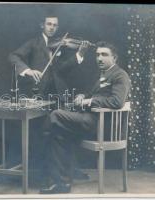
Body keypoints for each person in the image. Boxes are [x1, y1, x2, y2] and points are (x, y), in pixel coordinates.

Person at [39, 41, 131, 194]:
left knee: (55, 115)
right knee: (58, 134)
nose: (99, 58)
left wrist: (90, 101)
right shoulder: (104, 73)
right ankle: (62, 184)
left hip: (101, 125)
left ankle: (43, 140)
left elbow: (117, 101)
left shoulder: (120, 75)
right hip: (90, 120)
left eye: (104, 54)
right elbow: (95, 94)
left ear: (114, 58)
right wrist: (84, 96)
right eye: (97, 55)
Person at [9, 15, 91, 97]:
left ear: (57, 27)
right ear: (42, 25)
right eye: (49, 24)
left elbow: (64, 68)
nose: (52, 27)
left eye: (55, 25)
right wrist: (28, 71)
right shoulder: (34, 43)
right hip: (38, 89)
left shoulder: (61, 44)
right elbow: (13, 56)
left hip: (58, 92)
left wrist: (79, 54)